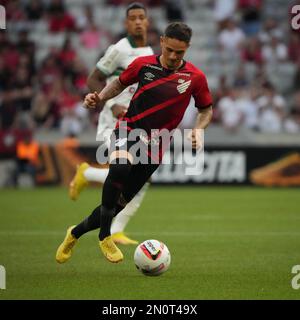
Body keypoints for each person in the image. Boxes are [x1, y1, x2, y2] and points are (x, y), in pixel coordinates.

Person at [56, 22, 213, 264]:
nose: (172, 56)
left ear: (187, 48)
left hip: (157, 145)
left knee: (118, 204)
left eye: (179, 52)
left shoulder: (195, 77)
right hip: (129, 129)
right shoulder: (143, 64)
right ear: (162, 41)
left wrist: (199, 130)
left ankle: (74, 233)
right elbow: (118, 84)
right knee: (119, 167)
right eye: (169, 49)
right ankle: (105, 235)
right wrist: (99, 98)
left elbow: (205, 110)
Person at [68, 2, 153, 245]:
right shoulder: (119, 49)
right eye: (133, 18)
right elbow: (93, 79)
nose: (137, 21)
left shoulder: (149, 51)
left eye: (141, 18)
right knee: (123, 169)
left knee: (142, 176)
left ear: (147, 22)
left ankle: (116, 230)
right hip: (113, 120)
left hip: (135, 121)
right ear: (127, 23)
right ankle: (88, 174)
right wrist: (111, 104)